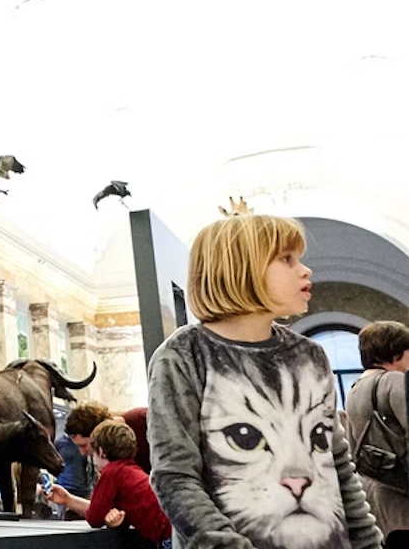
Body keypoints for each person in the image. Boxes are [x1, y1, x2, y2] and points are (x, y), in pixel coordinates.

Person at [148, 214, 381, 549]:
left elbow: (337, 464)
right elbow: (176, 477)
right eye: (287, 259)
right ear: (240, 269)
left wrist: (369, 543)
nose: (305, 269)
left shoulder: (310, 354)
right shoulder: (182, 356)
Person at [50, 421, 171, 547]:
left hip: (167, 537)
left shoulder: (112, 472)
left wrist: (107, 516)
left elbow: (94, 518)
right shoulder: (131, 470)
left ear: (101, 451)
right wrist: (67, 499)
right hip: (173, 530)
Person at [346, 321, 409, 540]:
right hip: (401, 489)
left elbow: (352, 446)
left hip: (375, 487)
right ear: (396, 352)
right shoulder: (394, 380)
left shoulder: (355, 388)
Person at [65, 400, 151, 475]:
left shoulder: (145, 421)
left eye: (83, 445)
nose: (82, 452)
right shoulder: (108, 459)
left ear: (97, 434)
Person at [53, 432, 90, 519]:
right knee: (64, 518)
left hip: (83, 488)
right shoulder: (60, 443)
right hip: (65, 486)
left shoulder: (85, 441)